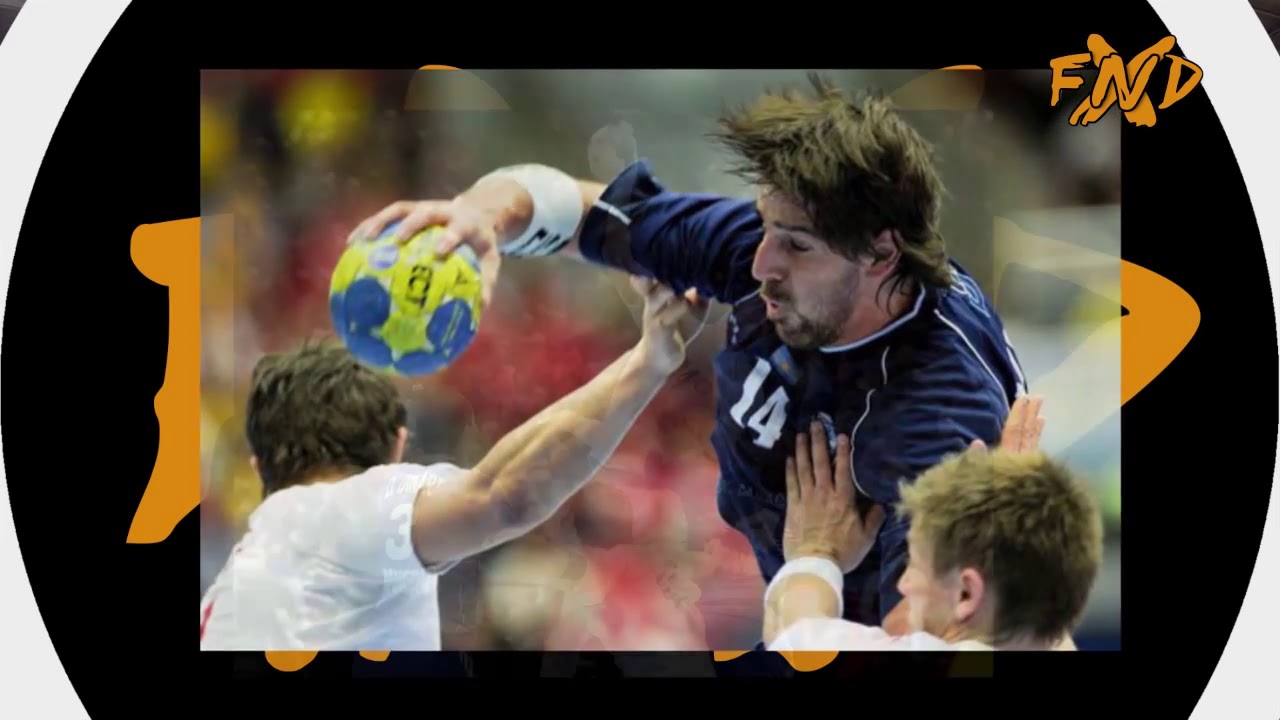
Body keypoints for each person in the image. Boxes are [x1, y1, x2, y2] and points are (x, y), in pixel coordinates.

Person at [348, 73, 1027, 636]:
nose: (759, 265)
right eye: (765, 227)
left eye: (794, 244)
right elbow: (585, 212)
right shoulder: (765, 254)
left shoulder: (939, 418)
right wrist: (483, 215)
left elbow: (925, 646)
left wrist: (812, 564)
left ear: (881, 252)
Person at [199, 277, 708, 651]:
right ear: (396, 448)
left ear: (259, 466)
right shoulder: (349, 511)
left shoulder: (224, 598)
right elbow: (506, 497)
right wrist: (650, 362)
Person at [765, 395, 1101, 651]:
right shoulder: (1043, 620)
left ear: (967, 593)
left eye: (915, 564)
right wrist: (1011, 513)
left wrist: (816, 552)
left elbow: (791, 635)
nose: (903, 585)